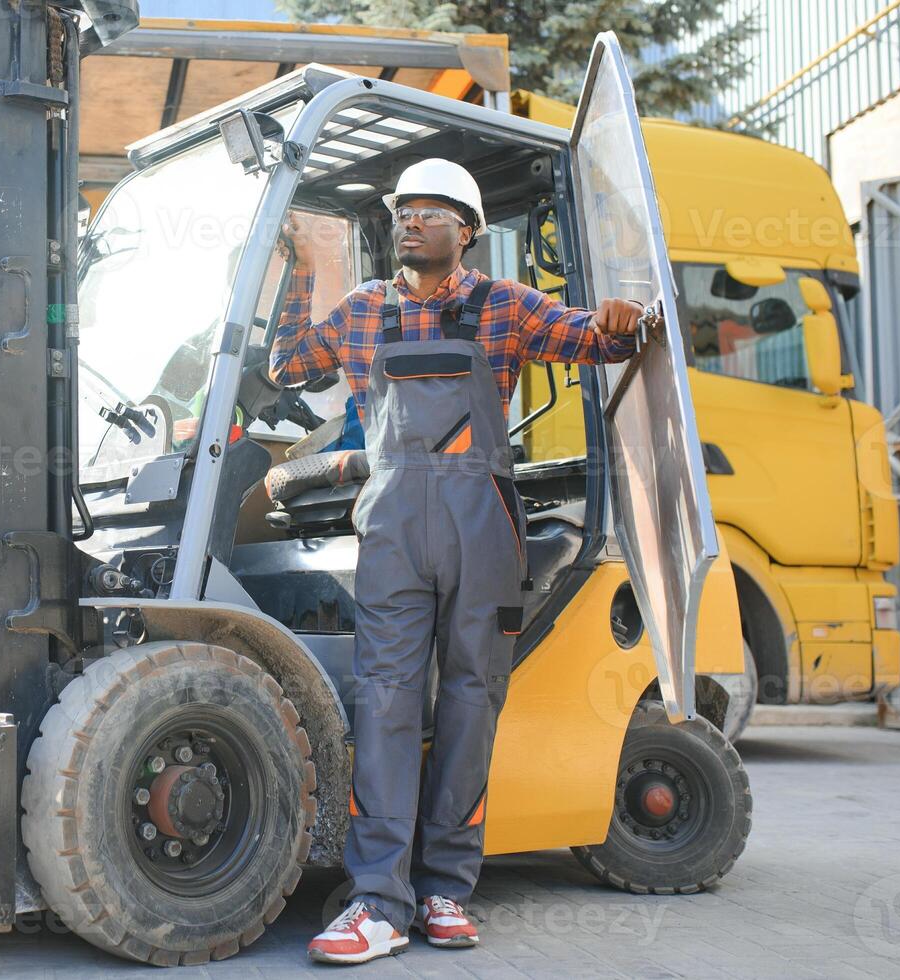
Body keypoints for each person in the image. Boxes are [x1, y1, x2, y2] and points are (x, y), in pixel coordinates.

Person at [273, 159, 642, 965]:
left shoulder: (506, 307)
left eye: (430, 212)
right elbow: (285, 367)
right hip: (394, 531)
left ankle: (444, 888)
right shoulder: (363, 311)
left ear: (465, 231)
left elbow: (600, 342)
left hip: (482, 530)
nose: (410, 222)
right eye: (403, 211)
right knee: (385, 703)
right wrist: (301, 267)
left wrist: (627, 314)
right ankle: (376, 900)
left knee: (473, 704)